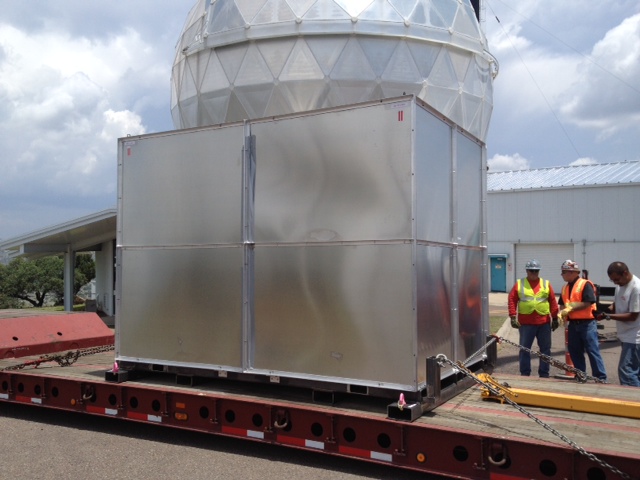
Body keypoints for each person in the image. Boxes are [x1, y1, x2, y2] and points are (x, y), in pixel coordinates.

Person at [508, 259, 559, 377]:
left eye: (536, 271)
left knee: (545, 349)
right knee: (524, 349)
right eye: (531, 271)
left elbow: (552, 301)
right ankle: (525, 373)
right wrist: (512, 316)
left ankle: (544, 374)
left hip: (544, 323)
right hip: (526, 324)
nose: (534, 273)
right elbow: (512, 299)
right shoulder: (520, 284)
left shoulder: (546, 284)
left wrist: (555, 318)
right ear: (527, 271)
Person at [558, 259, 607, 381]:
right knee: (575, 351)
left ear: (571, 272)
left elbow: (588, 302)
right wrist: (562, 313)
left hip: (587, 324)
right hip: (573, 324)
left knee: (592, 350)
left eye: (563, 272)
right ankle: (580, 375)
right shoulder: (565, 288)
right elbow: (562, 304)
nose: (562, 275)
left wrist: (571, 308)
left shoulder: (585, 284)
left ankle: (600, 378)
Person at [596, 262, 640, 386]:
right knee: (634, 371)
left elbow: (632, 316)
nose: (615, 282)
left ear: (625, 273)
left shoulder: (636, 288)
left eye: (616, 279)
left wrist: (608, 316)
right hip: (626, 336)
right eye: (612, 280)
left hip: (635, 338)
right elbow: (617, 303)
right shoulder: (620, 286)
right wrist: (605, 311)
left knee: (627, 371)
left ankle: (631, 396)